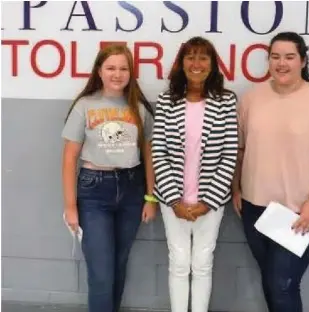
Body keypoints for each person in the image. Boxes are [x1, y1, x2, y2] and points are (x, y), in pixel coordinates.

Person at [232, 32, 309, 312]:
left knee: (283, 283)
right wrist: (237, 189)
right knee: (272, 283)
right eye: (275, 57)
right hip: (256, 209)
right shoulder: (251, 99)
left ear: (303, 60)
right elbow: (240, 149)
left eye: (289, 57)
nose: (281, 63)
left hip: (299, 213)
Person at [61, 44, 157, 312]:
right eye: (111, 68)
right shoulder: (85, 106)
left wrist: (150, 197)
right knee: (101, 273)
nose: (117, 74)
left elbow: (149, 156)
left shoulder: (139, 108)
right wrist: (70, 207)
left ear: (131, 72)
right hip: (94, 191)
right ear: (99, 72)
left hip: (132, 190)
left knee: (118, 266)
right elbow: (69, 158)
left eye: (123, 68)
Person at [151, 36, 238, 312]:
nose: (196, 63)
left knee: (202, 263)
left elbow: (229, 153)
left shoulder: (226, 101)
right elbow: (159, 152)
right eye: (191, 57)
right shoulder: (166, 100)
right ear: (182, 63)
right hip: (172, 200)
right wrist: (175, 201)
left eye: (203, 57)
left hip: (210, 202)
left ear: (212, 64)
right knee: (178, 262)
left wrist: (208, 201)